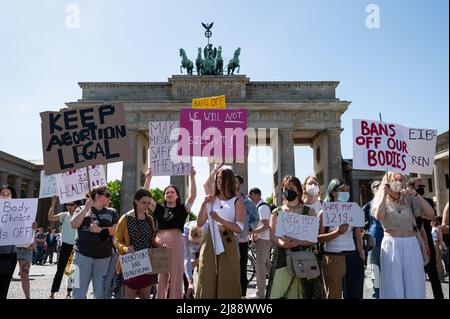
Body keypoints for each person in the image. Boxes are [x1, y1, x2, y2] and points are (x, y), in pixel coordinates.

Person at [373, 172, 435, 299]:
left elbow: (431, 214)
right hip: (391, 244)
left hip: (411, 243)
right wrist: (384, 195)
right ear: (388, 181)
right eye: (395, 180)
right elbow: (379, 217)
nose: (398, 182)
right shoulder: (381, 199)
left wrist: (416, 194)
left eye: (401, 179)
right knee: (393, 284)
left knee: (414, 282)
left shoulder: (409, 198)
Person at [145, 167, 197, 299]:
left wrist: (192, 176)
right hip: (160, 243)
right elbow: (145, 197)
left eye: (172, 192)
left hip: (177, 241)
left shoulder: (183, 209)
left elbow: (193, 195)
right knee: (161, 278)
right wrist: (148, 178)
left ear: (177, 195)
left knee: (176, 275)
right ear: (164, 196)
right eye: (167, 192)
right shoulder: (159, 209)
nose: (169, 193)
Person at [266, 175, 321, 299]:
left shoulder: (309, 212)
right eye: (285, 188)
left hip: (303, 259)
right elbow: (273, 236)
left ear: (299, 191)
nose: (287, 190)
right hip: (282, 258)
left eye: (291, 187)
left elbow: (314, 238)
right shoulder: (276, 212)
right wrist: (283, 243)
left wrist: (297, 242)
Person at [196, 166, 245, 299]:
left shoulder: (237, 201)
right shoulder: (212, 199)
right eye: (217, 178)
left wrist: (220, 220)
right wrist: (204, 204)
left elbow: (239, 228)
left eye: (221, 178)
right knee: (207, 275)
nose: (218, 181)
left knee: (228, 276)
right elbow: (199, 223)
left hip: (227, 241)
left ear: (228, 181)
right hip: (210, 239)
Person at [319, 179, 365, 299]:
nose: (346, 193)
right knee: (333, 294)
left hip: (352, 256)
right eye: (342, 190)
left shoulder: (355, 209)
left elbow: (358, 233)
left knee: (355, 294)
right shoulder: (324, 212)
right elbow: (320, 238)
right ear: (334, 192)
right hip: (333, 257)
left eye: (347, 190)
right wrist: (337, 232)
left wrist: (361, 254)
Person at [70, 185, 119, 299]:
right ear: (97, 196)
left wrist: (100, 230)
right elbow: (73, 224)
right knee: (77, 291)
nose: (109, 197)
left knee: (101, 293)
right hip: (81, 256)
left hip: (104, 258)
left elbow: (116, 230)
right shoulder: (81, 209)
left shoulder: (112, 212)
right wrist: (86, 208)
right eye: (107, 195)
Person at [114, 189, 158, 299]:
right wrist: (125, 249)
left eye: (148, 203)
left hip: (147, 263)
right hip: (131, 263)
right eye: (144, 202)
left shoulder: (150, 219)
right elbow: (117, 241)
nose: (146, 206)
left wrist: (160, 245)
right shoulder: (125, 218)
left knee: (146, 296)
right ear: (136, 201)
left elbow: (152, 240)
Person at [408, 178, 443, 299]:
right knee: (417, 276)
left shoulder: (426, 200)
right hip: (413, 241)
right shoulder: (407, 202)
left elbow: (431, 216)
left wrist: (418, 197)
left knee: (433, 274)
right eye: (419, 186)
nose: (422, 187)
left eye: (422, 186)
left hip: (427, 239)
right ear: (411, 187)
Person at [48, 197, 79, 299]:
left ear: (76, 205)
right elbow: (50, 217)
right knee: (60, 270)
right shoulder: (64, 215)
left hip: (76, 246)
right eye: (68, 205)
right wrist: (53, 204)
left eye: (72, 204)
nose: (69, 207)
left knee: (75, 271)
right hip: (65, 246)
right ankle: (52, 293)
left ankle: (70, 293)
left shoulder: (80, 216)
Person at [248, 187, 272, 299]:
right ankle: (276, 286)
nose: (250, 199)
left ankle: (260, 293)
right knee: (267, 265)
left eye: (250, 196)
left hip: (264, 240)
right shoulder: (261, 207)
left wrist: (252, 231)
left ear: (255, 195)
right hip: (264, 239)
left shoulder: (262, 208)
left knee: (260, 267)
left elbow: (265, 225)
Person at [362, 180, 383, 299]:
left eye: (381, 185)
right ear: (372, 190)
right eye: (376, 186)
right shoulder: (368, 205)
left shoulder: (391, 202)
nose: (379, 187)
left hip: (391, 240)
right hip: (375, 241)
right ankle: (377, 295)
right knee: (376, 270)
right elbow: (358, 221)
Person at [0, 185, 18, 299]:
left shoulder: (19, 212)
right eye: (2, 194)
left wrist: (31, 228)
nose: (5, 197)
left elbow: (24, 235)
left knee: (3, 289)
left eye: (8, 194)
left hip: (9, 256)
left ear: (13, 197)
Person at [182, 220, 206, 298]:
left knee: (203, 270)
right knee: (187, 268)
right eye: (194, 242)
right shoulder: (185, 231)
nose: (196, 244)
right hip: (190, 251)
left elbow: (211, 251)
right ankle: (188, 291)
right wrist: (190, 282)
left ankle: (203, 292)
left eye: (197, 242)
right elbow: (186, 257)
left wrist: (199, 259)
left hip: (204, 249)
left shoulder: (208, 229)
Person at [431, 217, 446, 282]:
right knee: (436, 260)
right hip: (433, 243)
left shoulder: (438, 227)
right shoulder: (433, 227)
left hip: (436, 243)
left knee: (438, 260)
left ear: (436, 221)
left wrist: (440, 246)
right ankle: (439, 276)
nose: (431, 222)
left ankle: (441, 277)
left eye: (432, 220)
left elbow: (440, 237)